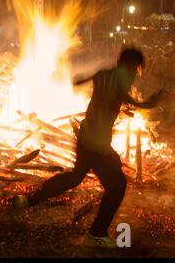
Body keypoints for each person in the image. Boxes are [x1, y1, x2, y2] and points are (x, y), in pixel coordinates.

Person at [14, 47, 161, 248]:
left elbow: (86, 83)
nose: (136, 74)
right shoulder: (120, 81)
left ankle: (28, 201)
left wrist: (73, 81)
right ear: (129, 66)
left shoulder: (103, 74)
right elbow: (126, 97)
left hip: (85, 139)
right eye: (136, 70)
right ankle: (97, 233)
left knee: (75, 177)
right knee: (117, 186)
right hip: (98, 147)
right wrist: (149, 103)